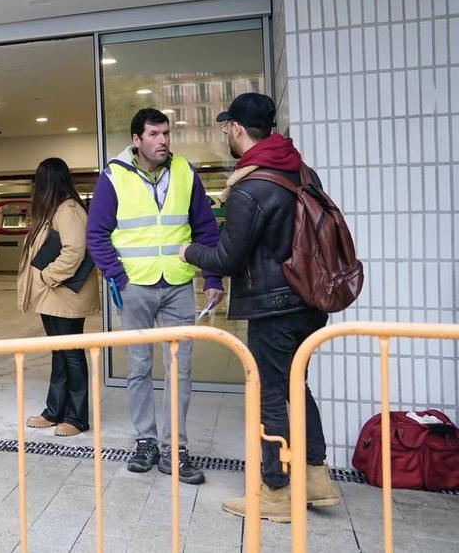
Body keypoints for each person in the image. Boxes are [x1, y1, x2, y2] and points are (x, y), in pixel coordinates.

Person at [178, 93, 340, 521]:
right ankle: (316, 477)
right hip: (308, 302)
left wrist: (188, 251)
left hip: (273, 307)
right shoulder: (299, 171)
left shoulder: (250, 187)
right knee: (296, 388)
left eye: (226, 128)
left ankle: (276, 490)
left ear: (236, 129)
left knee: (270, 394)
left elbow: (227, 259)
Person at [86, 108, 223, 485]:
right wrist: (119, 278)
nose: (163, 140)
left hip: (178, 284)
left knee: (181, 368)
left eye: (166, 133)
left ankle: (174, 446)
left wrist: (212, 276)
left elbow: (205, 228)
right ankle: (146, 440)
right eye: (154, 134)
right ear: (137, 140)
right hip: (136, 287)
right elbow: (96, 234)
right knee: (139, 367)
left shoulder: (185, 172)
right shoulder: (113, 176)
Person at [17, 158, 100, 437]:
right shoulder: (55, 210)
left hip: (65, 295)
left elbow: (74, 250)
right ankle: (55, 411)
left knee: (72, 355)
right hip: (54, 297)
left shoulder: (69, 210)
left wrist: (47, 276)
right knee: (60, 353)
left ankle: (77, 418)